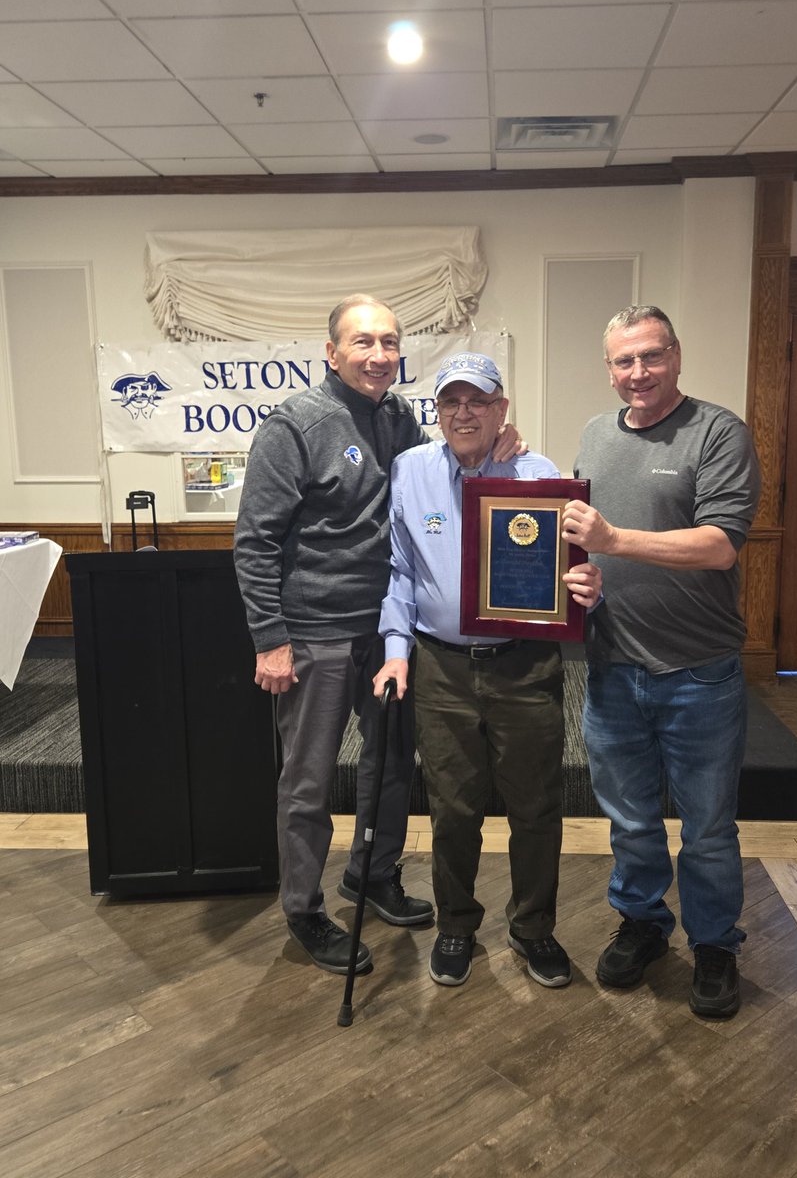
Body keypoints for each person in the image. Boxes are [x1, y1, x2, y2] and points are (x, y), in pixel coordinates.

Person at [233, 296, 521, 976]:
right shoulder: (295, 424)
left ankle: (372, 872)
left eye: (389, 342)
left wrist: (498, 448)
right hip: (315, 634)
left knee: (391, 763)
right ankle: (303, 908)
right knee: (308, 780)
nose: (379, 354)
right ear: (331, 352)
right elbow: (255, 542)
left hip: (391, 631)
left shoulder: (397, 419)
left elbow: (440, 476)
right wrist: (271, 639)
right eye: (363, 342)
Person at [374, 352, 601, 988]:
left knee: (536, 807)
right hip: (439, 668)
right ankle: (455, 925)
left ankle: (534, 929)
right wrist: (395, 651)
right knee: (453, 809)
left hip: (523, 666)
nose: (464, 413)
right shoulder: (410, 470)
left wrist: (588, 586)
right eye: (451, 401)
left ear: (502, 409)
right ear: (437, 411)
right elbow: (399, 570)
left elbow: (571, 568)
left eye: (478, 401)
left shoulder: (537, 474)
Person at [561, 305, 760, 1018]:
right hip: (612, 667)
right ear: (609, 368)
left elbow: (720, 545)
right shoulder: (594, 435)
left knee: (707, 827)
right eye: (625, 360)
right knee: (631, 821)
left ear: (676, 355)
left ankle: (714, 945)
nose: (638, 372)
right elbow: (582, 544)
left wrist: (613, 540)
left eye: (651, 356)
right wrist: (582, 580)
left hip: (698, 672)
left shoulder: (718, 432)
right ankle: (643, 921)